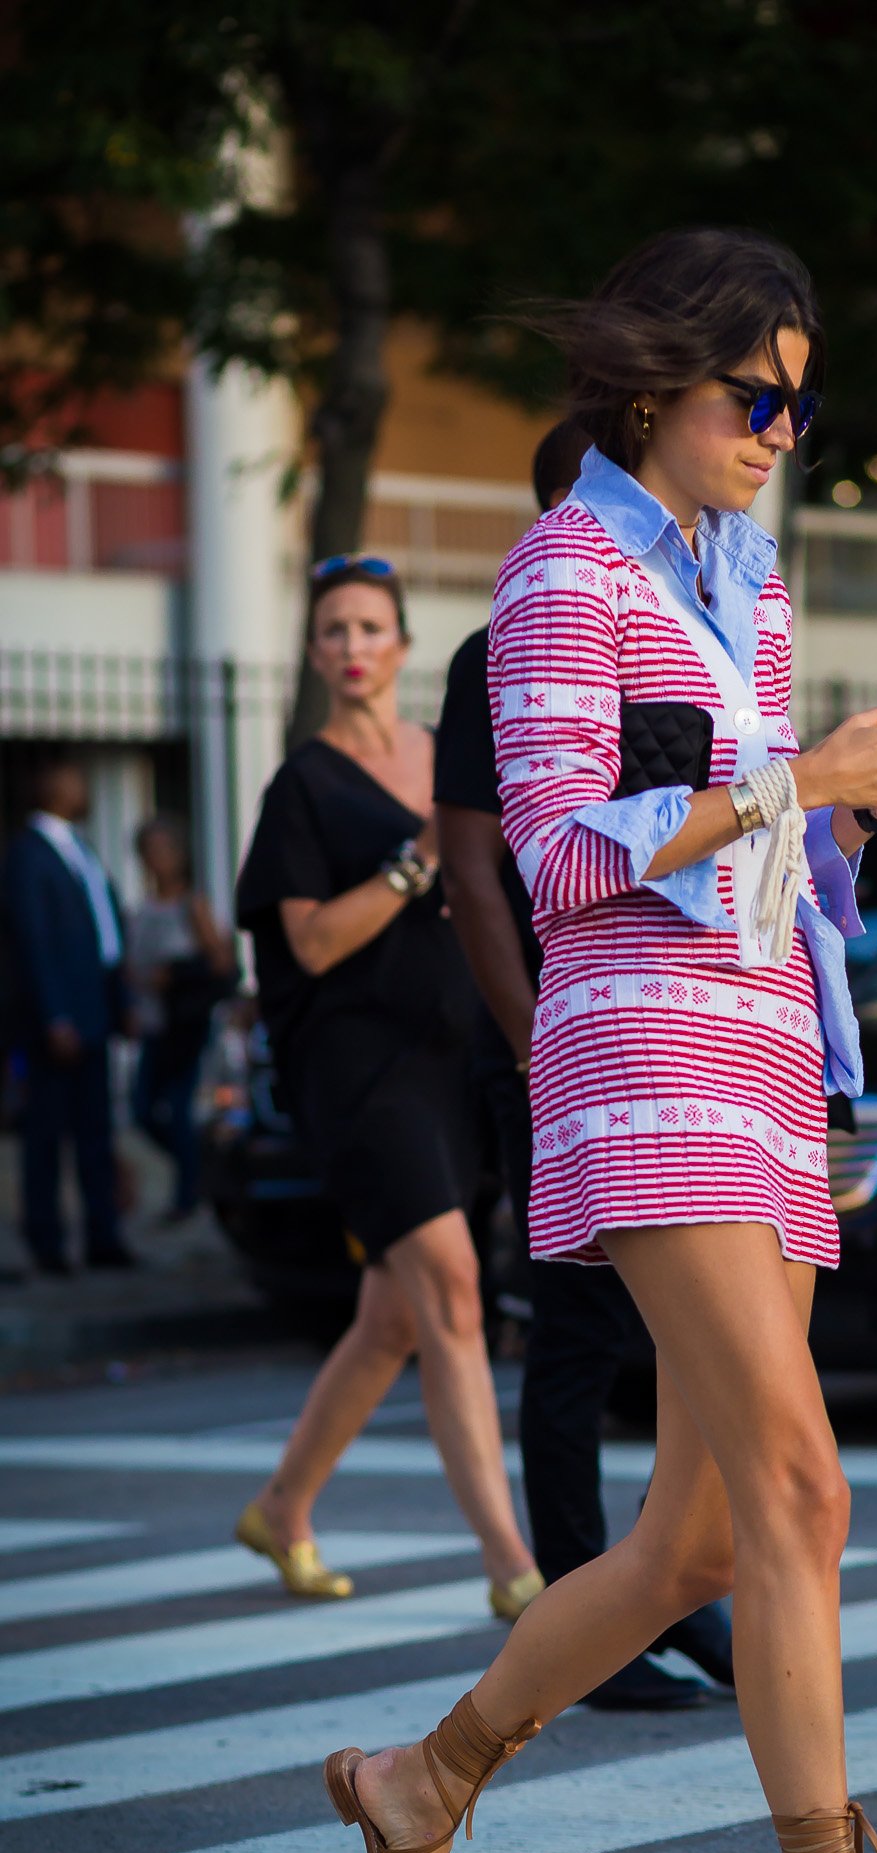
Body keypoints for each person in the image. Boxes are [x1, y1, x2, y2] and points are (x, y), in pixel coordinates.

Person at [323, 228, 877, 1853]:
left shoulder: (751, 582)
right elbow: (557, 861)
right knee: (804, 1496)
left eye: (803, 397)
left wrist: (872, 804)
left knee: (699, 1538)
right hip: (643, 1061)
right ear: (654, 388)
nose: (786, 426)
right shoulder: (564, 575)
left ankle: (420, 1777)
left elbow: (763, 855)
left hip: (770, 1046)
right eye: (757, 394)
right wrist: (800, 778)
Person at [436, 417, 734, 1712]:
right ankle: (588, 1599)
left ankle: (671, 1588)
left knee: (677, 1357)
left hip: (689, 1038)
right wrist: (526, 1035)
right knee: (572, 1334)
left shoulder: (701, 614)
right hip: (571, 1030)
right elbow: (482, 861)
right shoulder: (518, 624)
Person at [233, 555, 542, 1619]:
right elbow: (310, 943)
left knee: (392, 1320)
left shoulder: (442, 749)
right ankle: (513, 1563)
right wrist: (418, 866)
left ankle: (282, 1506)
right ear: (315, 655)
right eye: (332, 631)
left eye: (369, 628)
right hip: (359, 1071)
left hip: (456, 1058)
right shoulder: (303, 785)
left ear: (403, 646)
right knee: (453, 1289)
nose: (352, 647)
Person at [1, 757, 135, 1274]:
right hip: (53, 1025)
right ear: (49, 786)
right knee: (46, 1137)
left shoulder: (80, 848)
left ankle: (104, 1237)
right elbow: (34, 942)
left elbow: (103, 932)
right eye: (74, 779)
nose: (83, 788)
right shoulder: (27, 856)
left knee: (95, 1133)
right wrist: (56, 1015)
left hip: (95, 1013)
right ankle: (47, 1244)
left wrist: (118, 1004)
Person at [128, 815, 237, 1223]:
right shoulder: (141, 911)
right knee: (143, 1111)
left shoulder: (193, 905)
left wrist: (175, 974)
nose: (157, 860)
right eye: (149, 852)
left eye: (164, 851)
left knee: (177, 1109)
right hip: (153, 1027)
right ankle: (198, 1173)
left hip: (187, 1027)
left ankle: (187, 1194)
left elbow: (223, 965)